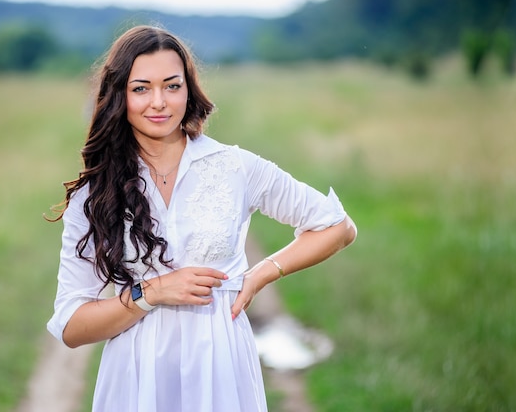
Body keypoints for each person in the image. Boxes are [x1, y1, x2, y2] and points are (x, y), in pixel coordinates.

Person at [47, 25, 357, 412]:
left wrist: (260, 274)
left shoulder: (234, 167)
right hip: (137, 378)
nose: (159, 102)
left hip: (222, 369)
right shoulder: (94, 193)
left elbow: (338, 226)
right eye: (141, 88)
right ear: (119, 95)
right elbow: (72, 326)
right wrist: (152, 293)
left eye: (172, 86)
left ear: (188, 90)